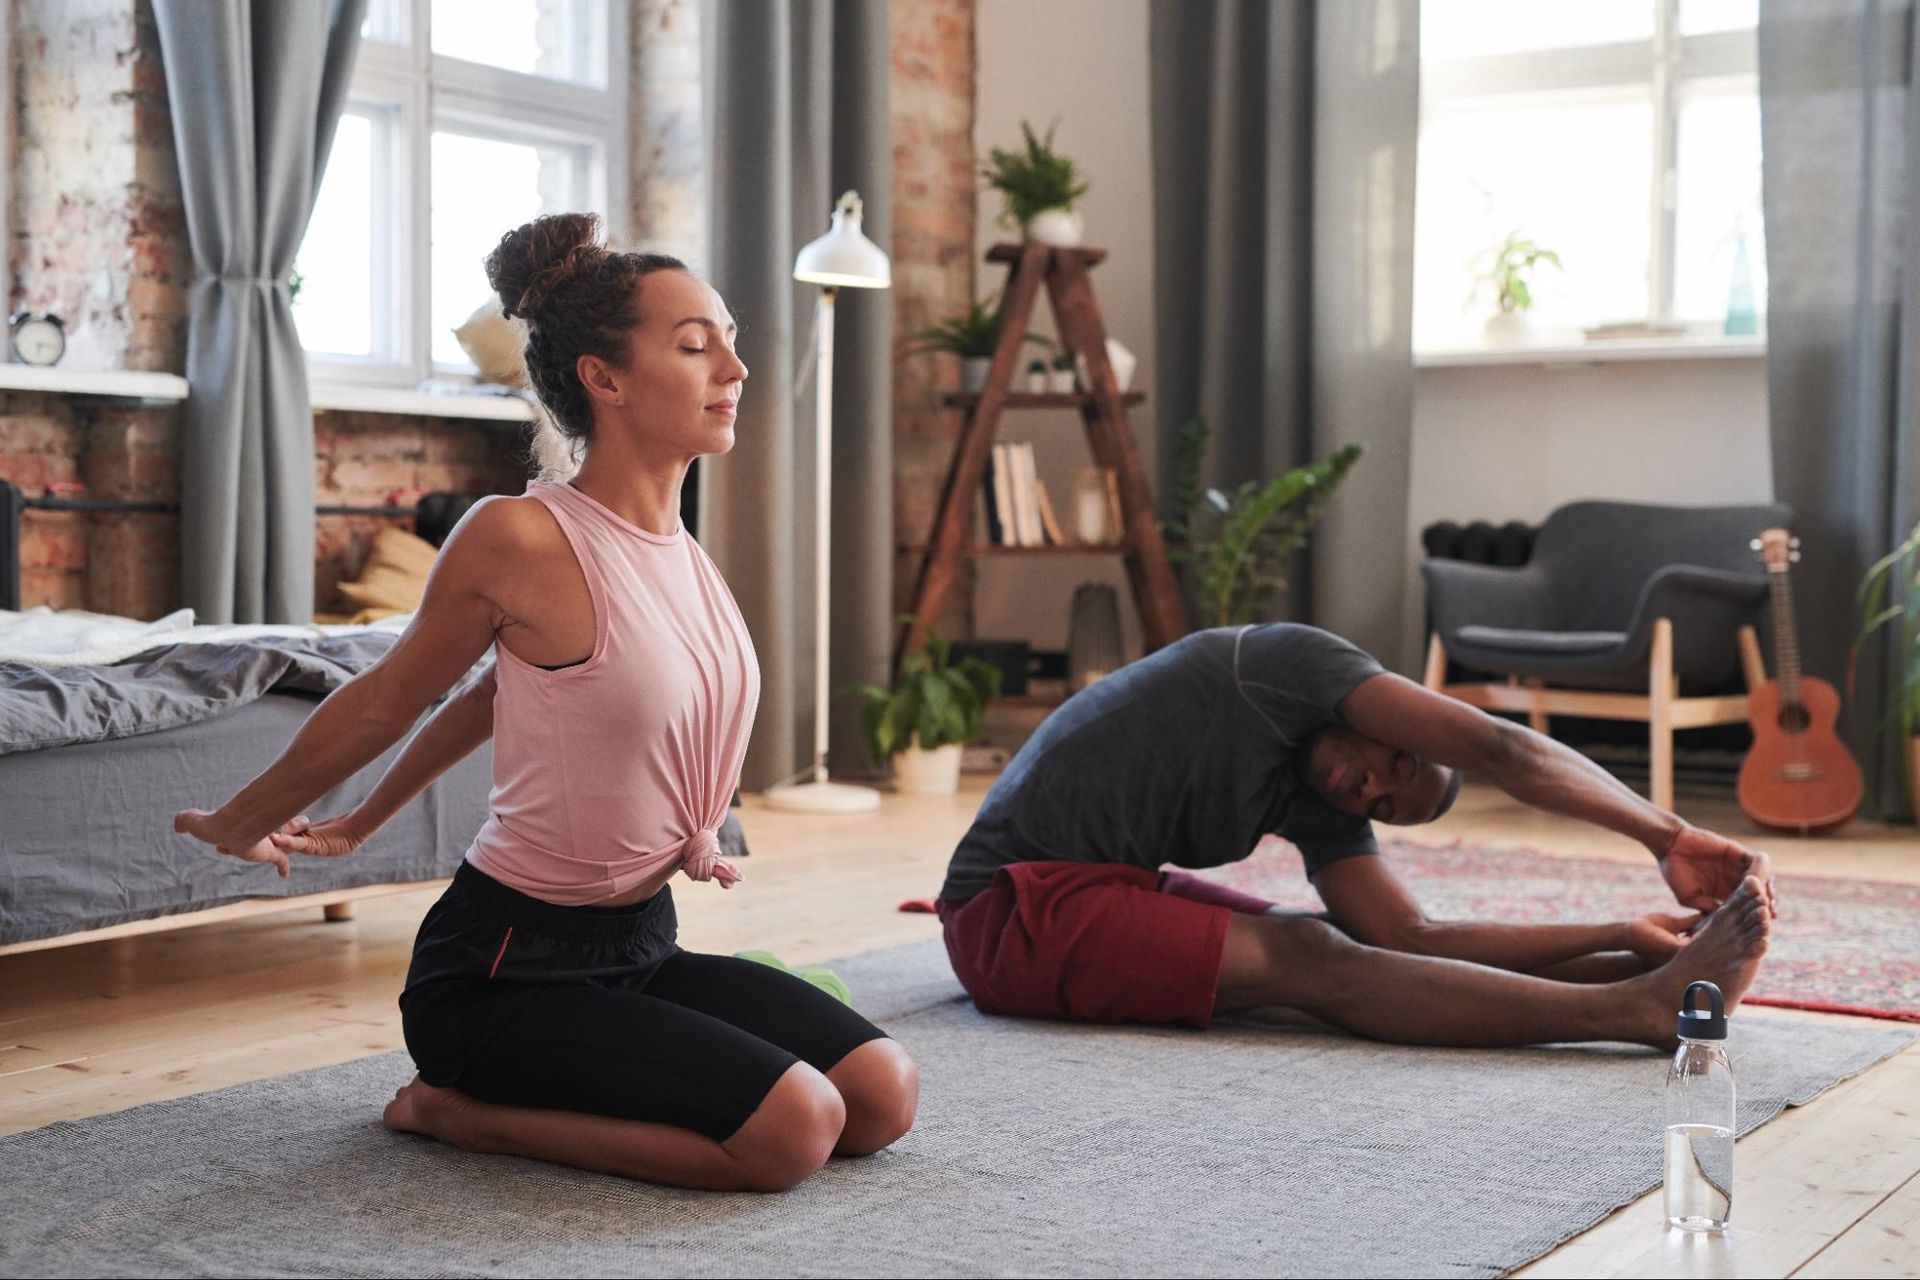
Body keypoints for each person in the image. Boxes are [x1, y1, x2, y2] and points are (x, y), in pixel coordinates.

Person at [174, 213, 918, 1192]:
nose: (735, 367)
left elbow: (502, 697)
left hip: (642, 943)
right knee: (793, 1130)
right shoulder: (517, 537)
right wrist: (244, 819)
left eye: (731, 338)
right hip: (503, 972)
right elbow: (385, 699)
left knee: (880, 1095)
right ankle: (468, 1115)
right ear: (602, 378)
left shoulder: (681, 552)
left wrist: (365, 816)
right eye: (697, 344)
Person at [936, 623, 1776, 1048]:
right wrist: (1664, 834)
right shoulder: (1284, 666)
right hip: (1007, 913)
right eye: (1396, 765)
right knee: (1312, 959)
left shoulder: (1321, 796)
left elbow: (1409, 935)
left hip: (1086, 893)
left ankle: (1657, 975)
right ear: (1388, 719)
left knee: (1333, 946)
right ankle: (1637, 1012)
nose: (1370, 789)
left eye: (1383, 807)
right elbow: (1498, 746)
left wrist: (1620, 935)